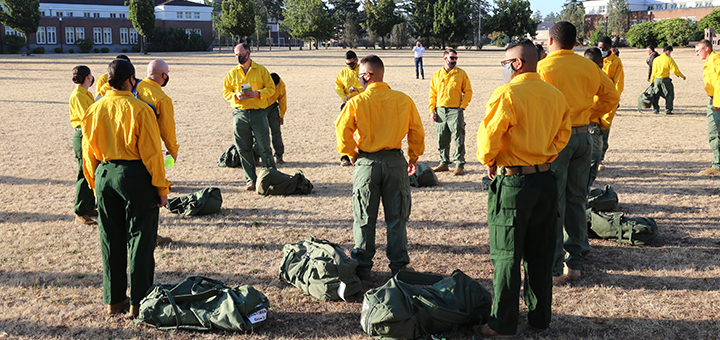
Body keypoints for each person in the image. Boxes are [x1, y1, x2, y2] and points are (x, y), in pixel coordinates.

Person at [476, 38, 571, 338]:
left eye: (505, 63)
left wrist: (491, 160)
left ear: (517, 63)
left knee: (506, 254)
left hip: (514, 182)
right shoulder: (555, 95)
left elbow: (486, 143)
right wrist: (542, 157)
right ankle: (540, 317)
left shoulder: (507, 94)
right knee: (541, 252)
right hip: (545, 180)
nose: (504, 69)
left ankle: (502, 324)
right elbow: (562, 136)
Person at [81, 59, 170, 317]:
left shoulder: (95, 108)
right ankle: (140, 302)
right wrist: (162, 189)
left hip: (104, 174)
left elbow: (88, 153)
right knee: (141, 239)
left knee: (110, 238)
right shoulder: (140, 109)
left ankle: (114, 299)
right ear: (131, 80)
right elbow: (152, 154)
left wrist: (94, 184)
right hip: (135, 175)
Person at [537, 21, 620, 285]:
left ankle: (552, 265)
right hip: (584, 136)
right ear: (576, 41)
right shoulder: (589, 65)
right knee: (577, 198)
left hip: (556, 138)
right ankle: (575, 262)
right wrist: (589, 114)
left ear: (551, 41)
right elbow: (611, 97)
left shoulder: (544, 67)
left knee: (553, 200)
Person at [335, 55, 425, 280]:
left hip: (367, 163)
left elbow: (341, 130)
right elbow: (417, 131)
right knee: (397, 218)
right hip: (395, 162)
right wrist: (413, 157)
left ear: (367, 76)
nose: (359, 80)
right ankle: (399, 267)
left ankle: (363, 266)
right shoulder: (403, 100)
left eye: (360, 75)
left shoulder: (356, 102)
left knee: (364, 217)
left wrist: (352, 154)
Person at [222, 43, 276, 191]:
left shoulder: (261, 70)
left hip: (258, 113)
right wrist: (235, 95)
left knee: (264, 147)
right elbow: (225, 91)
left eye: (240, 54)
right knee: (243, 149)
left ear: (248, 53)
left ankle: (272, 177)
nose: (238, 57)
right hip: (240, 114)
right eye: (235, 55)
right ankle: (250, 180)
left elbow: (271, 88)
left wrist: (259, 93)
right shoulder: (232, 73)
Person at [428, 48, 473, 176]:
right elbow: (432, 94)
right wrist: (432, 110)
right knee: (442, 137)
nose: (454, 61)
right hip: (440, 110)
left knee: (459, 137)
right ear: (445, 59)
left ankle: (459, 164)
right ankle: (443, 163)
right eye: (452, 58)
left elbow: (468, 91)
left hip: (455, 110)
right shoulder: (437, 74)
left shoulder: (461, 74)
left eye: (456, 58)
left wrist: (462, 107)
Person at [589, 36, 624, 183]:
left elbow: (618, 83)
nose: (601, 50)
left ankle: (600, 158)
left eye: (604, 48)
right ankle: (592, 159)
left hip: (606, 103)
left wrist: (613, 101)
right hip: (592, 103)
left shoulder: (616, 62)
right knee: (592, 132)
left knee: (604, 132)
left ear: (610, 47)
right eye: (600, 48)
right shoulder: (592, 59)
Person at [69, 65, 97, 225]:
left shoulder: (85, 93)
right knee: (83, 172)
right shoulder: (78, 95)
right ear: (88, 77)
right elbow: (88, 117)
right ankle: (80, 211)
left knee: (89, 171)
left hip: (88, 134)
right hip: (83, 135)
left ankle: (87, 206)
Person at [695, 39, 720, 175]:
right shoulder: (708, 62)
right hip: (713, 100)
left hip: (717, 101)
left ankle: (718, 166)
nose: (697, 54)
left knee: (715, 132)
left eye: (698, 51)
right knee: (713, 132)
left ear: (707, 49)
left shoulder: (716, 60)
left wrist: (717, 102)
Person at [335, 50, 365, 166]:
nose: (350, 66)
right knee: (344, 130)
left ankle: (362, 153)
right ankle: (345, 156)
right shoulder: (342, 73)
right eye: (348, 64)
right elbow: (338, 86)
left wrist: (358, 90)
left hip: (361, 103)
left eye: (352, 64)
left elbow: (370, 85)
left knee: (362, 130)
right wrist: (344, 97)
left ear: (357, 60)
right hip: (347, 104)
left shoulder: (363, 71)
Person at [650, 45, 686, 115]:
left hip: (656, 79)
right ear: (668, 51)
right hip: (665, 79)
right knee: (669, 95)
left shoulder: (656, 59)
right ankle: (668, 110)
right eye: (670, 52)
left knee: (656, 95)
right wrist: (682, 76)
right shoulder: (669, 59)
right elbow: (675, 70)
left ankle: (655, 110)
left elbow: (653, 71)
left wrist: (652, 80)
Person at [266, 73, 287, 164]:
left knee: (276, 132)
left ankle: (279, 156)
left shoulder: (281, 85)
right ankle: (256, 157)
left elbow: (282, 100)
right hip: (260, 108)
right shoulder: (263, 82)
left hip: (272, 108)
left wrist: (281, 115)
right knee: (260, 134)